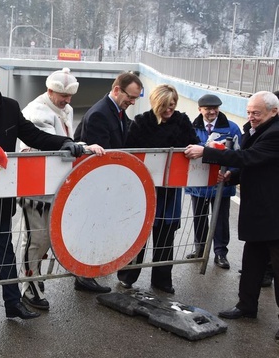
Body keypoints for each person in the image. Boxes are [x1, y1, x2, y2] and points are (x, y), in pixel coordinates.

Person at [0, 59, 88, 319]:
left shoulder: (10, 108)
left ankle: (13, 304)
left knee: (4, 248)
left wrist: (65, 142)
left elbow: (34, 136)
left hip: (2, 194)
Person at [185, 91, 279, 339]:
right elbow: (256, 166)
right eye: (249, 112)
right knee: (252, 264)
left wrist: (206, 152)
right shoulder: (256, 129)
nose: (251, 117)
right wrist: (232, 176)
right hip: (259, 212)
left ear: (274, 112)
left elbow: (249, 157)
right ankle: (246, 306)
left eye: (256, 113)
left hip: (273, 214)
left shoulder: (276, 133)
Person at [19, 68, 106, 309]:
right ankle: (28, 285)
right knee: (37, 239)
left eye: (69, 97)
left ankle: (33, 279)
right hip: (37, 188)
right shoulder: (37, 112)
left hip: (55, 186)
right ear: (49, 91)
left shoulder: (62, 108)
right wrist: (83, 147)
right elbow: (50, 144)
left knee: (47, 239)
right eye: (62, 96)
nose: (68, 102)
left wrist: (79, 147)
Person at [119, 84, 199, 294]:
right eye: (164, 106)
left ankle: (162, 280)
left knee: (166, 236)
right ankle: (128, 275)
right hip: (143, 189)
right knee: (138, 233)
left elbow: (194, 144)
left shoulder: (182, 121)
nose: (168, 111)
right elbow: (129, 151)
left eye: (172, 106)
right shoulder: (141, 122)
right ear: (156, 103)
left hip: (170, 190)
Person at [184, 93, 242, 269]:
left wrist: (230, 173)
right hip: (199, 183)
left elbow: (240, 155)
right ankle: (200, 249)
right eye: (208, 109)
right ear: (200, 109)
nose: (212, 112)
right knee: (199, 218)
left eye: (215, 108)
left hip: (221, 183)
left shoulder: (232, 129)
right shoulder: (191, 128)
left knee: (221, 220)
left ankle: (220, 253)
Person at [75, 71, 143, 148]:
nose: (133, 102)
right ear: (116, 90)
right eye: (130, 97)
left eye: (135, 98)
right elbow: (103, 154)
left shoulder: (118, 108)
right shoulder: (98, 116)